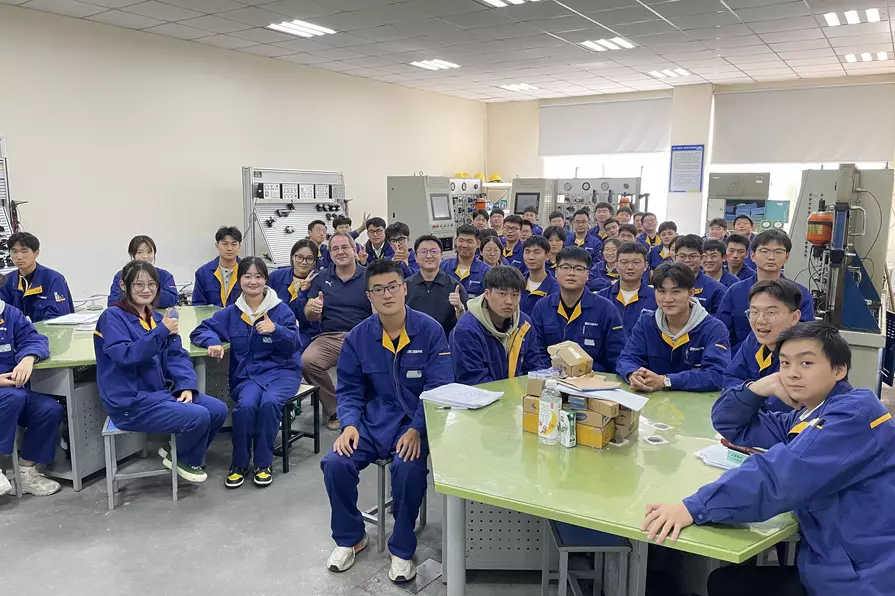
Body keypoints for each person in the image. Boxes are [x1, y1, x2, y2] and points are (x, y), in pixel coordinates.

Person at [641, 322, 895, 596]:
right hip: (833, 560)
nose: (792, 373)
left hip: (862, 577)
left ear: (839, 369)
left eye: (806, 363)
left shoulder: (853, 416)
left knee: (728, 585)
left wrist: (694, 507)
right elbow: (731, 425)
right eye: (784, 363)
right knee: (725, 582)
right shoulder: (808, 416)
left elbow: (782, 477)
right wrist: (760, 387)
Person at [322, 260, 453, 582]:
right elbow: (349, 389)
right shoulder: (358, 338)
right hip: (371, 423)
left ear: (404, 289)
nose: (387, 294)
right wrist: (349, 424)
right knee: (335, 463)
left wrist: (417, 429)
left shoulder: (429, 331)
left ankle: (402, 548)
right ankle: (351, 537)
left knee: (407, 470)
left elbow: (438, 387)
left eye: (393, 286)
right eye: (378, 289)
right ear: (369, 296)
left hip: (413, 423)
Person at [94, 261, 228, 483]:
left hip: (161, 394)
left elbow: (177, 356)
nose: (146, 290)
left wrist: (185, 385)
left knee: (217, 410)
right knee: (198, 416)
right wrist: (161, 331)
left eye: (152, 284)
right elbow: (126, 356)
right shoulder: (112, 317)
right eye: (138, 284)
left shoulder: (157, 318)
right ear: (124, 286)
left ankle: (178, 453)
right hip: (131, 402)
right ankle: (185, 458)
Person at [191, 258, 300, 488]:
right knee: (246, 406)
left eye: (258, 276)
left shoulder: (280, 310)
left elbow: (294, 344)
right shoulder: (232, 313)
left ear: (265, 280)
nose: (253, 281)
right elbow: (202, 329)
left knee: (270, 403)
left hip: (281, 373)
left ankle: (263, 463)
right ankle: (239, 464)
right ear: (239, 280)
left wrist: (276, 330)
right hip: (248, 375)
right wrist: (213, 342)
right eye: (247, 276)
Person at [616, 263, 730, 392]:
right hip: (652, 399)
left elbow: (717, 374)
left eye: (676, 291)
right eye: (661, 291)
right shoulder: (646, 322)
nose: (668, 299)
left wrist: (666, 381)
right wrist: (632, 374)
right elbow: (627, 358)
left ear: (691, 293)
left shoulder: (714, 329)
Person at [300, 233, 373, 431]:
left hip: (363, 335)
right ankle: (335, 409)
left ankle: (369, 408)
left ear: (354, 250)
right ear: (330, 254)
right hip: (330, 337)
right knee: (307, 362)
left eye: (344, 247)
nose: (340, 252)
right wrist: (314, 309)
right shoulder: (322, 277)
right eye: (335, 249)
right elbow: (309, 313)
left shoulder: (369, 276)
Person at [0, 293, 63, 497]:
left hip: (13, 390)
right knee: (13, 398)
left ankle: (26, 472)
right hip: (8, 394)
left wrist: (29, 357)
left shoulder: (9, 314)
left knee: (49, 409)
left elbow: (34, 339)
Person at [717, 230, 814, 352]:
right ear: (752, 255)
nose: (771, 257)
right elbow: (722, 334)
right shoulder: (735, 292)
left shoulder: (799, 294)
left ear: (787, 256)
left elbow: (804, 336)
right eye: (764, 251)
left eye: (778, 252)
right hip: (739, 359)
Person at [532, 247, 624, 374]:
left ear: (587, 275)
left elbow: (616, 357)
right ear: (556, 272)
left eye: (579, 269)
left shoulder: (606, 309)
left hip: (593, 380)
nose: (571, 273)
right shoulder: (542, 307)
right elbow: (537, 353)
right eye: (565, 267)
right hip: (551, 379)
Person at [450, 266, 548, 384]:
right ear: (487, 294)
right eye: (502, 293)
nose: (509, 301)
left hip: (520, 393)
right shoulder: (467, 329)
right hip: (483, 393)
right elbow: (473, 379)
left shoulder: (524, 324)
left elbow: (534, 367)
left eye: (515, 295)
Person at [722, 280, 801, 413]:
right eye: (754, 312)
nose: (760, 320)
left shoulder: (804, 352)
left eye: (771, 313)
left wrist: (746, 395)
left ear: (794, 317)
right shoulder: (753, 341)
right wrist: (757, 389)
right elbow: (730, 380)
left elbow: (786, 405)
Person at [0, 232, 74, 322]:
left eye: (24, 251)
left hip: (46, 330)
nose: (19, 257)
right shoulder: (6, 281)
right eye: (14, 251)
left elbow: (58, 318)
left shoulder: (53, 279)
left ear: (36, 253)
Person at [406, 236, 468, 336]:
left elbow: (466, 324)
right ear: (416, 257)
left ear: (441, 256)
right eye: (423, 252)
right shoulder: (405, 286)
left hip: (445, 342)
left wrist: (460, 308)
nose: (429, 256)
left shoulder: (454, 287)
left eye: (434, 251)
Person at [269, 239, 319, 352]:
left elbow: (304, 318)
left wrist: (303, 292)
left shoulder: (318, 280)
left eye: (309, 258)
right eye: (299, 257)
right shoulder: (276, 277)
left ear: (314, 261)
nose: (304, 262)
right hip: (275, 327)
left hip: (304, 332)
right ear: (292, 257)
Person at [598, 242, 655, 339]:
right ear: (616, 266)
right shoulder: (602, 297)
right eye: (624, 262)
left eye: (636, 262)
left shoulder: (656, 298)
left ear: (645, 266)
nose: (630, 267)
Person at [108, 235, 178, 308]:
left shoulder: (164, 275)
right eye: (139, 252)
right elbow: (113, 302)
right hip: (129, 313)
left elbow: (172, 300)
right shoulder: (122, 275)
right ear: (132, 254)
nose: (145, 256)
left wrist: (152, 290)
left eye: (149, 252)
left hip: (158, 314)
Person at [673, 235, 725, 315]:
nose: (687, 260)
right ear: (675, 257)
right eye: (682, 256)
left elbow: (719, 319)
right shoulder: (664, 284)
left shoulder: (717, 289)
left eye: (693, 256)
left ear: (702, 258)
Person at [191, 226, 242, 307]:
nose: (229, 248)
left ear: (239, 246)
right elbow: (198, 305)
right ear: (217, 245)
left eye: (234, 244)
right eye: (225, 244)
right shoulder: (203, 273)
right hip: (213, 315)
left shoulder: (247, 271)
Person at [440, 225, 490, 297]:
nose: (464, 245)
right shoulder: (444, 266)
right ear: (456, 241)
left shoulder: (486, 271)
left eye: (469, 242)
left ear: (478, 243)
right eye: (461, 241)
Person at [520, 236, 558, 316]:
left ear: (547, 256)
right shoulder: (516, 284)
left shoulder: (556, 288)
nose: (531, 257)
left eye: (536, 252)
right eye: (527, 252)